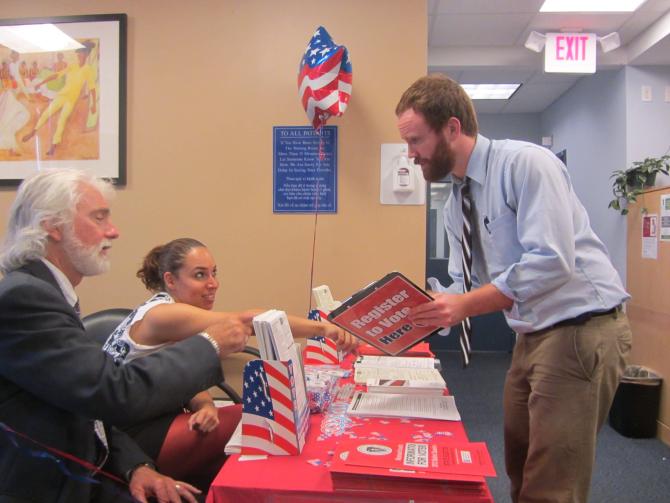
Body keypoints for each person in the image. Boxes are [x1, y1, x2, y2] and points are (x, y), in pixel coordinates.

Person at [395, 74, 632, 503]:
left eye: (416, 141)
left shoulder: (526, 164)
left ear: (452, 128)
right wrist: (420, 308)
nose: (410, 156)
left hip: (579, 327)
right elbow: (465, 285)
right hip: (530, 333)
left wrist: (463, 305)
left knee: (552, 482)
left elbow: (551, 263)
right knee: (520, 466)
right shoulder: (456, 203)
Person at [0, 168, 253, 503]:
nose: (113, 231)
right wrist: (210, 344)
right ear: (52, 226)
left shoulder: (43, 290)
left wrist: (137, 466)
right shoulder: (24, 297)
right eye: (99, 218)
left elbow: (82, 408)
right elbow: (112, 391)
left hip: (94, 467)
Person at [102, 237, 356, 487]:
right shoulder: (162, 315)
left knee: (237, 445)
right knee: (258, 420)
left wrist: (206, 405)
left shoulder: (167, 312)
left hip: (151, 421)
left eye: (214, 273)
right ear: (170, 280)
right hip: (124, 441)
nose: (213, 284)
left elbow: (179, 375)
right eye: (200, 275)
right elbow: (247, 321)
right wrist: (322, 329)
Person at [21, 41, 97, 156]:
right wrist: (41, 83)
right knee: (46, 113)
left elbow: (92, 88)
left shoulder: (88, 70)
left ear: (86, 54)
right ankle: (33, 131)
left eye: (82, 53)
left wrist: (94, 104)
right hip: (62, 95)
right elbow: (56, 75)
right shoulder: (72, 66)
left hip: (71, 100)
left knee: (62, 120)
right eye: (78, 53)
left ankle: (54, 145)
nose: (79, 55)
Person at [0, 50, 30, 157]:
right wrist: (5, 88)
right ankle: (12, 148)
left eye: (7, 67)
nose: (6, 69)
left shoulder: (10, 75)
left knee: (19, 116)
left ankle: (12, 148)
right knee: (5, 122)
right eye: (5, 66)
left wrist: (11, 86)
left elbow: (15, 86)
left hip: (9, 99)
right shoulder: (2, 75)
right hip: (4, 100)